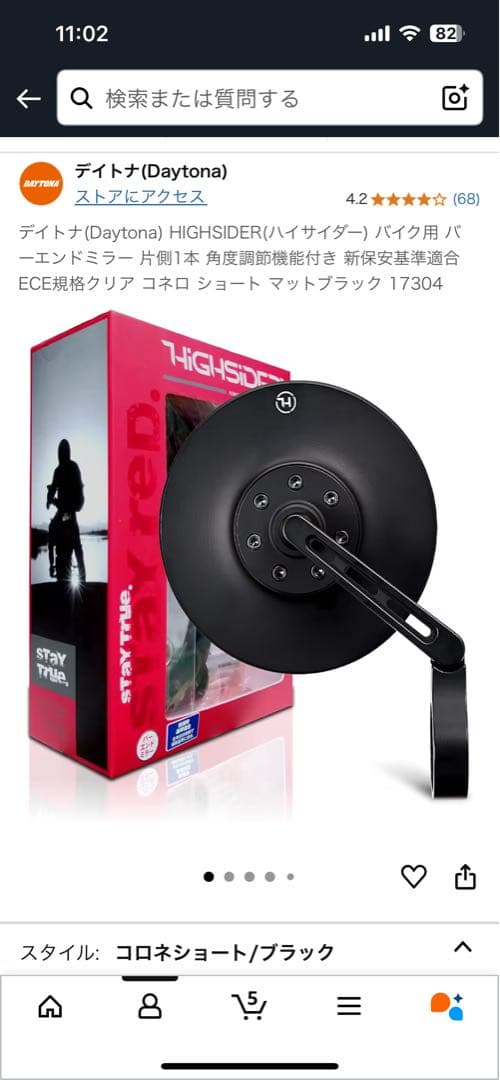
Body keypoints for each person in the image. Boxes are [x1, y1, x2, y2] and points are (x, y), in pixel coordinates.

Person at [46, 438, 86, 582]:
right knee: (68, 547)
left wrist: (51, 500)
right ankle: (68, 574)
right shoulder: (61, 470)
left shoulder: (69, 468)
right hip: (66, 512)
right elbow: (53, 489)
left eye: (63, 452)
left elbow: (77, 495)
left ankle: (80, 577)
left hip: (68, 511)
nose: (62, 455)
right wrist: (50, 498)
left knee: (74, 546)